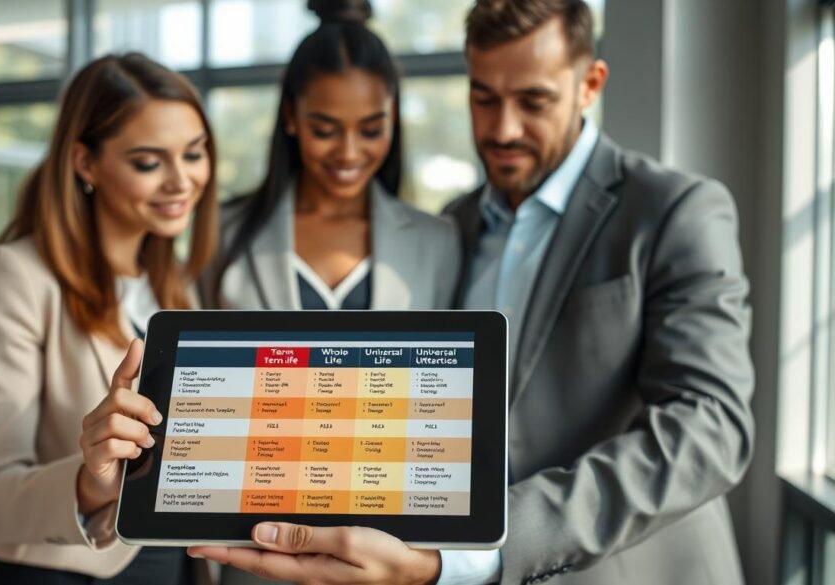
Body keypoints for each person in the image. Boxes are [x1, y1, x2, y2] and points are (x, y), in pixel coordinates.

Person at [189, 1, 755, 584]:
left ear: (589, 85)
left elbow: (710, 427)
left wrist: (486, 549)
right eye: (484, 97)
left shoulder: (672, 210)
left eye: (533, 101)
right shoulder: (454, 227)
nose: (504, 128)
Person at [0, 53, 218, 584]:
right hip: (63, 570)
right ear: (85, 163)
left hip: (174, 566)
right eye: (149, 162)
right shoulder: (17, 276)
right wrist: (90, 482)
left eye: (194, 154)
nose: (181, 181)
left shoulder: (177, 285)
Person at [206, 0, 459, 312]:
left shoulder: (437, 242)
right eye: (325, 131)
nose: (348, 154)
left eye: (370, 130)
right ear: (290, 116)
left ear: (392, 116)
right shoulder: (224, 231)